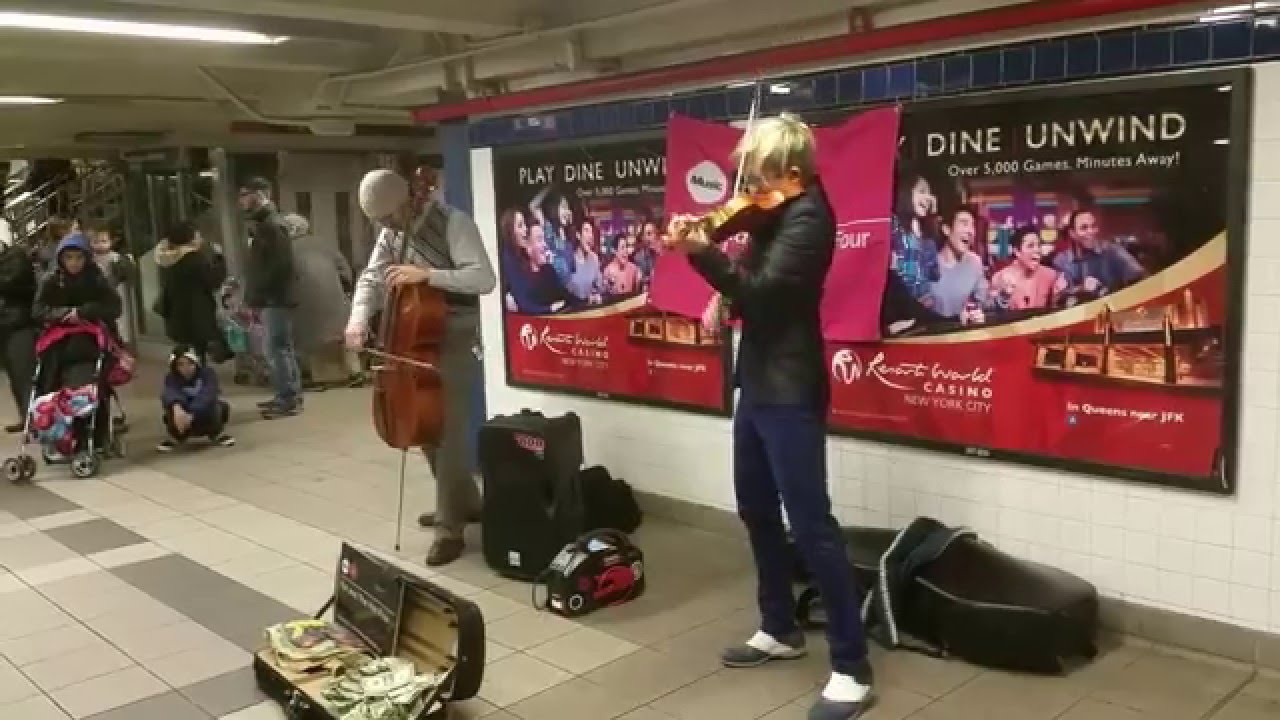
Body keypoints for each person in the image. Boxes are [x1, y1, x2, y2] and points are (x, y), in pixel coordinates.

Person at [667, 113, 874, 720]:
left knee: (813, 526)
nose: (747, 188)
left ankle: (852, 667)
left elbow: (765, 293)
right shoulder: (777, 207)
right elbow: (749, 284)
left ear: (791, 171)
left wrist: (705, 257)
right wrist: (718, 286)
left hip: (789, 387)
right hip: (756, 383)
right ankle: (779, 628)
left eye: (757, 175)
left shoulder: (810, 219)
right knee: (757, 509)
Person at [346, 168, 496, 567]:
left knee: (447, 432)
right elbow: (372, 279)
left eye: (390, 217)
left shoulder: (453, 223)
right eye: (380, 221)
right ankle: (465, 502)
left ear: (410, 198)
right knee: (425, 426)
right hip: (414, 335)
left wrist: (428, 274)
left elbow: (483, 278)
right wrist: (358, 318)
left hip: (455, 335)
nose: (387, 226)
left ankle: (450, 529)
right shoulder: (390, 232)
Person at [32, 233, 121, 451]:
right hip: (58, 343)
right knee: (51, 383)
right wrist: (62, 314)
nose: (74, 263)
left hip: (90, 340)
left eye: (78, 257)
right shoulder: (51, 280)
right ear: (61, 258)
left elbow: (113, 307)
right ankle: (59, 433)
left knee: (93, 386)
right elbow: (37, 310)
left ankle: (95, 435)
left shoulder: (96, 278)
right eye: (69, 257)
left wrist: (84, 312)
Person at [239, 177, 302, 418]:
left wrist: (258, 294)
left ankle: (287, 398)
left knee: (277, 348)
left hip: (276, 297)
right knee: (280, 348)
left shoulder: (272, 225)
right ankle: (288, 395)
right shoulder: (263, 224)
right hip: (273, 297)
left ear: (261, 194)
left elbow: (279, 266)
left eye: (246, 194)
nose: (242, 200)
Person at [282, 213, 362, 388]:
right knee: (343, 331)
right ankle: (355, 371)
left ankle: (313, 376)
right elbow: (346, 273)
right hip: (336, 304)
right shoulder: (325, 244)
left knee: (300, 333)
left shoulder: (285, 248)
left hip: (304, 306)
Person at [1053, 208, 1146, 305]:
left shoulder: (1113, 251)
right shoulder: (1062, 260)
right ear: (1072, 233)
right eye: (1084, 228)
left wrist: (1110, 292)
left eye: (1093, 226)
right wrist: (1081, 289)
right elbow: (1059, 298)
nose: (1091, 231)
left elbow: (1140, 279)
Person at [157, 345, 234, 452]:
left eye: (190, 363)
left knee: (217, 406)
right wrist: (176, 407)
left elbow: (208, 393)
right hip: (184, 416)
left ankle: (216, 433)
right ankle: (177, 436)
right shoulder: (171, 378)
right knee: (171, 408)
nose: (186, 368)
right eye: (181, 364)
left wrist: (192, 413)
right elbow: (170, 392)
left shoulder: (207, 373)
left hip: (203, 414)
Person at [0, 237, 37, 432]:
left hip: (19, 322)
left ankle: (36, 418)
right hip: (5, 325)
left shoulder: (16, 257)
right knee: (14, 375)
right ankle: (26, 417)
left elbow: (13, 282)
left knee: (24, 374)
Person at [929, 206, 987, 325]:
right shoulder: (928, 263)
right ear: (946, 229)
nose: (970, 231)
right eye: (964, 224)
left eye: (972, 226)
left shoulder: (974, 262)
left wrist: (1003, 296)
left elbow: (983, 303)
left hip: (963, 336)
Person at [991, 227, 1066, 311]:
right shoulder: (999, 277)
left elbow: (1056, 310)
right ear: (1017, 252)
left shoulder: (1051, 276)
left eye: (1039, 245)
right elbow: (994, 313)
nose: (1037, 250)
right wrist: (1004, 295)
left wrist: (1057, 298)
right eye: (1030, 246)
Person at [88, 225, 137, 346]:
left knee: (115, 321)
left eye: (104, 241)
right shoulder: (89, 259)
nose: (100, 245)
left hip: (112, 293)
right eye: (96, 242)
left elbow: (124, 274)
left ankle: (117, 342)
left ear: (110, 242)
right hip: (96, 295)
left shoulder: (116, 258)